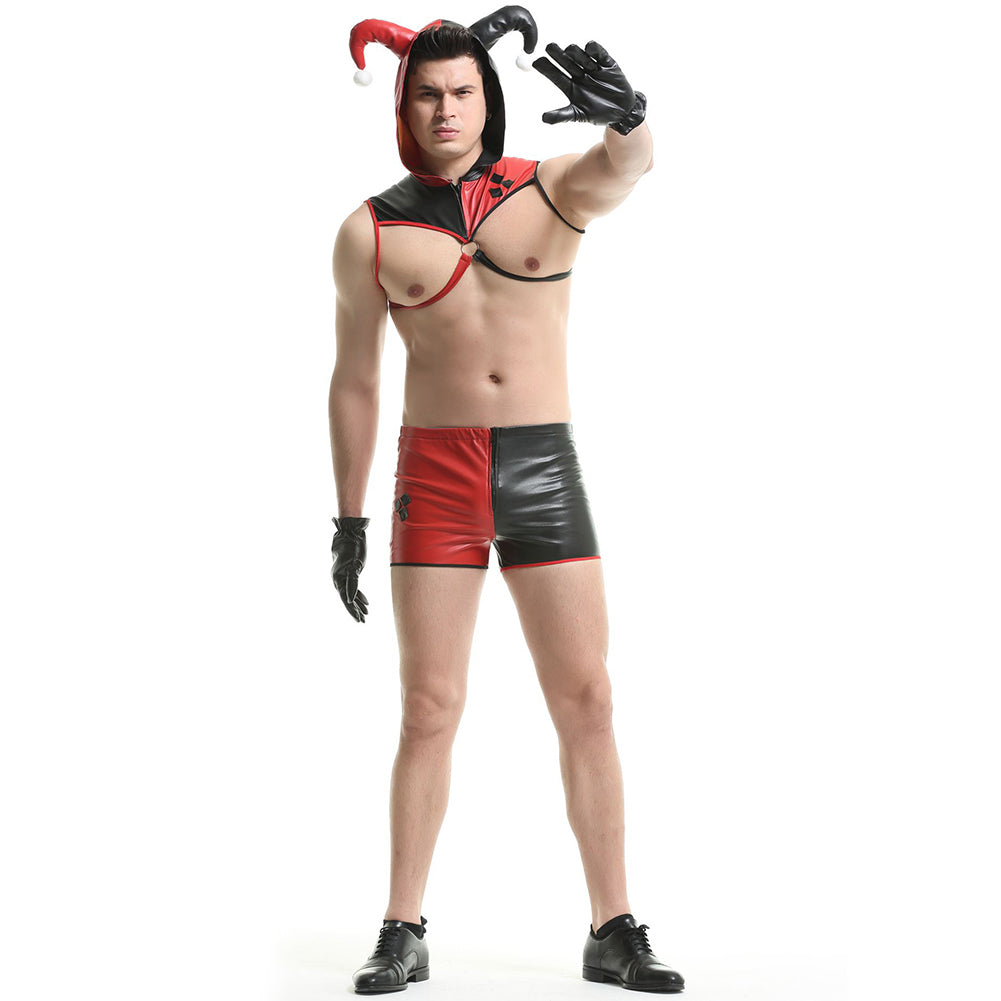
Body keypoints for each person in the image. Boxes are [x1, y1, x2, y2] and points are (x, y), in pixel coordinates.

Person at [329, 7, 685, 994]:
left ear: (486, 99)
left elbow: (624, 169)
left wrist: (630, 119)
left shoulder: (548, 189)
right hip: (435, 474)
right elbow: (354, 380)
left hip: (540, 468)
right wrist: (347, 517)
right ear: (404, 105)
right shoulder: (370, 229)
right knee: (428, 705)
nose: (446, 109)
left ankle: (612, 926)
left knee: (587, 696)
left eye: (462, 91)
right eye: (427, 94)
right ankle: (401, 927)